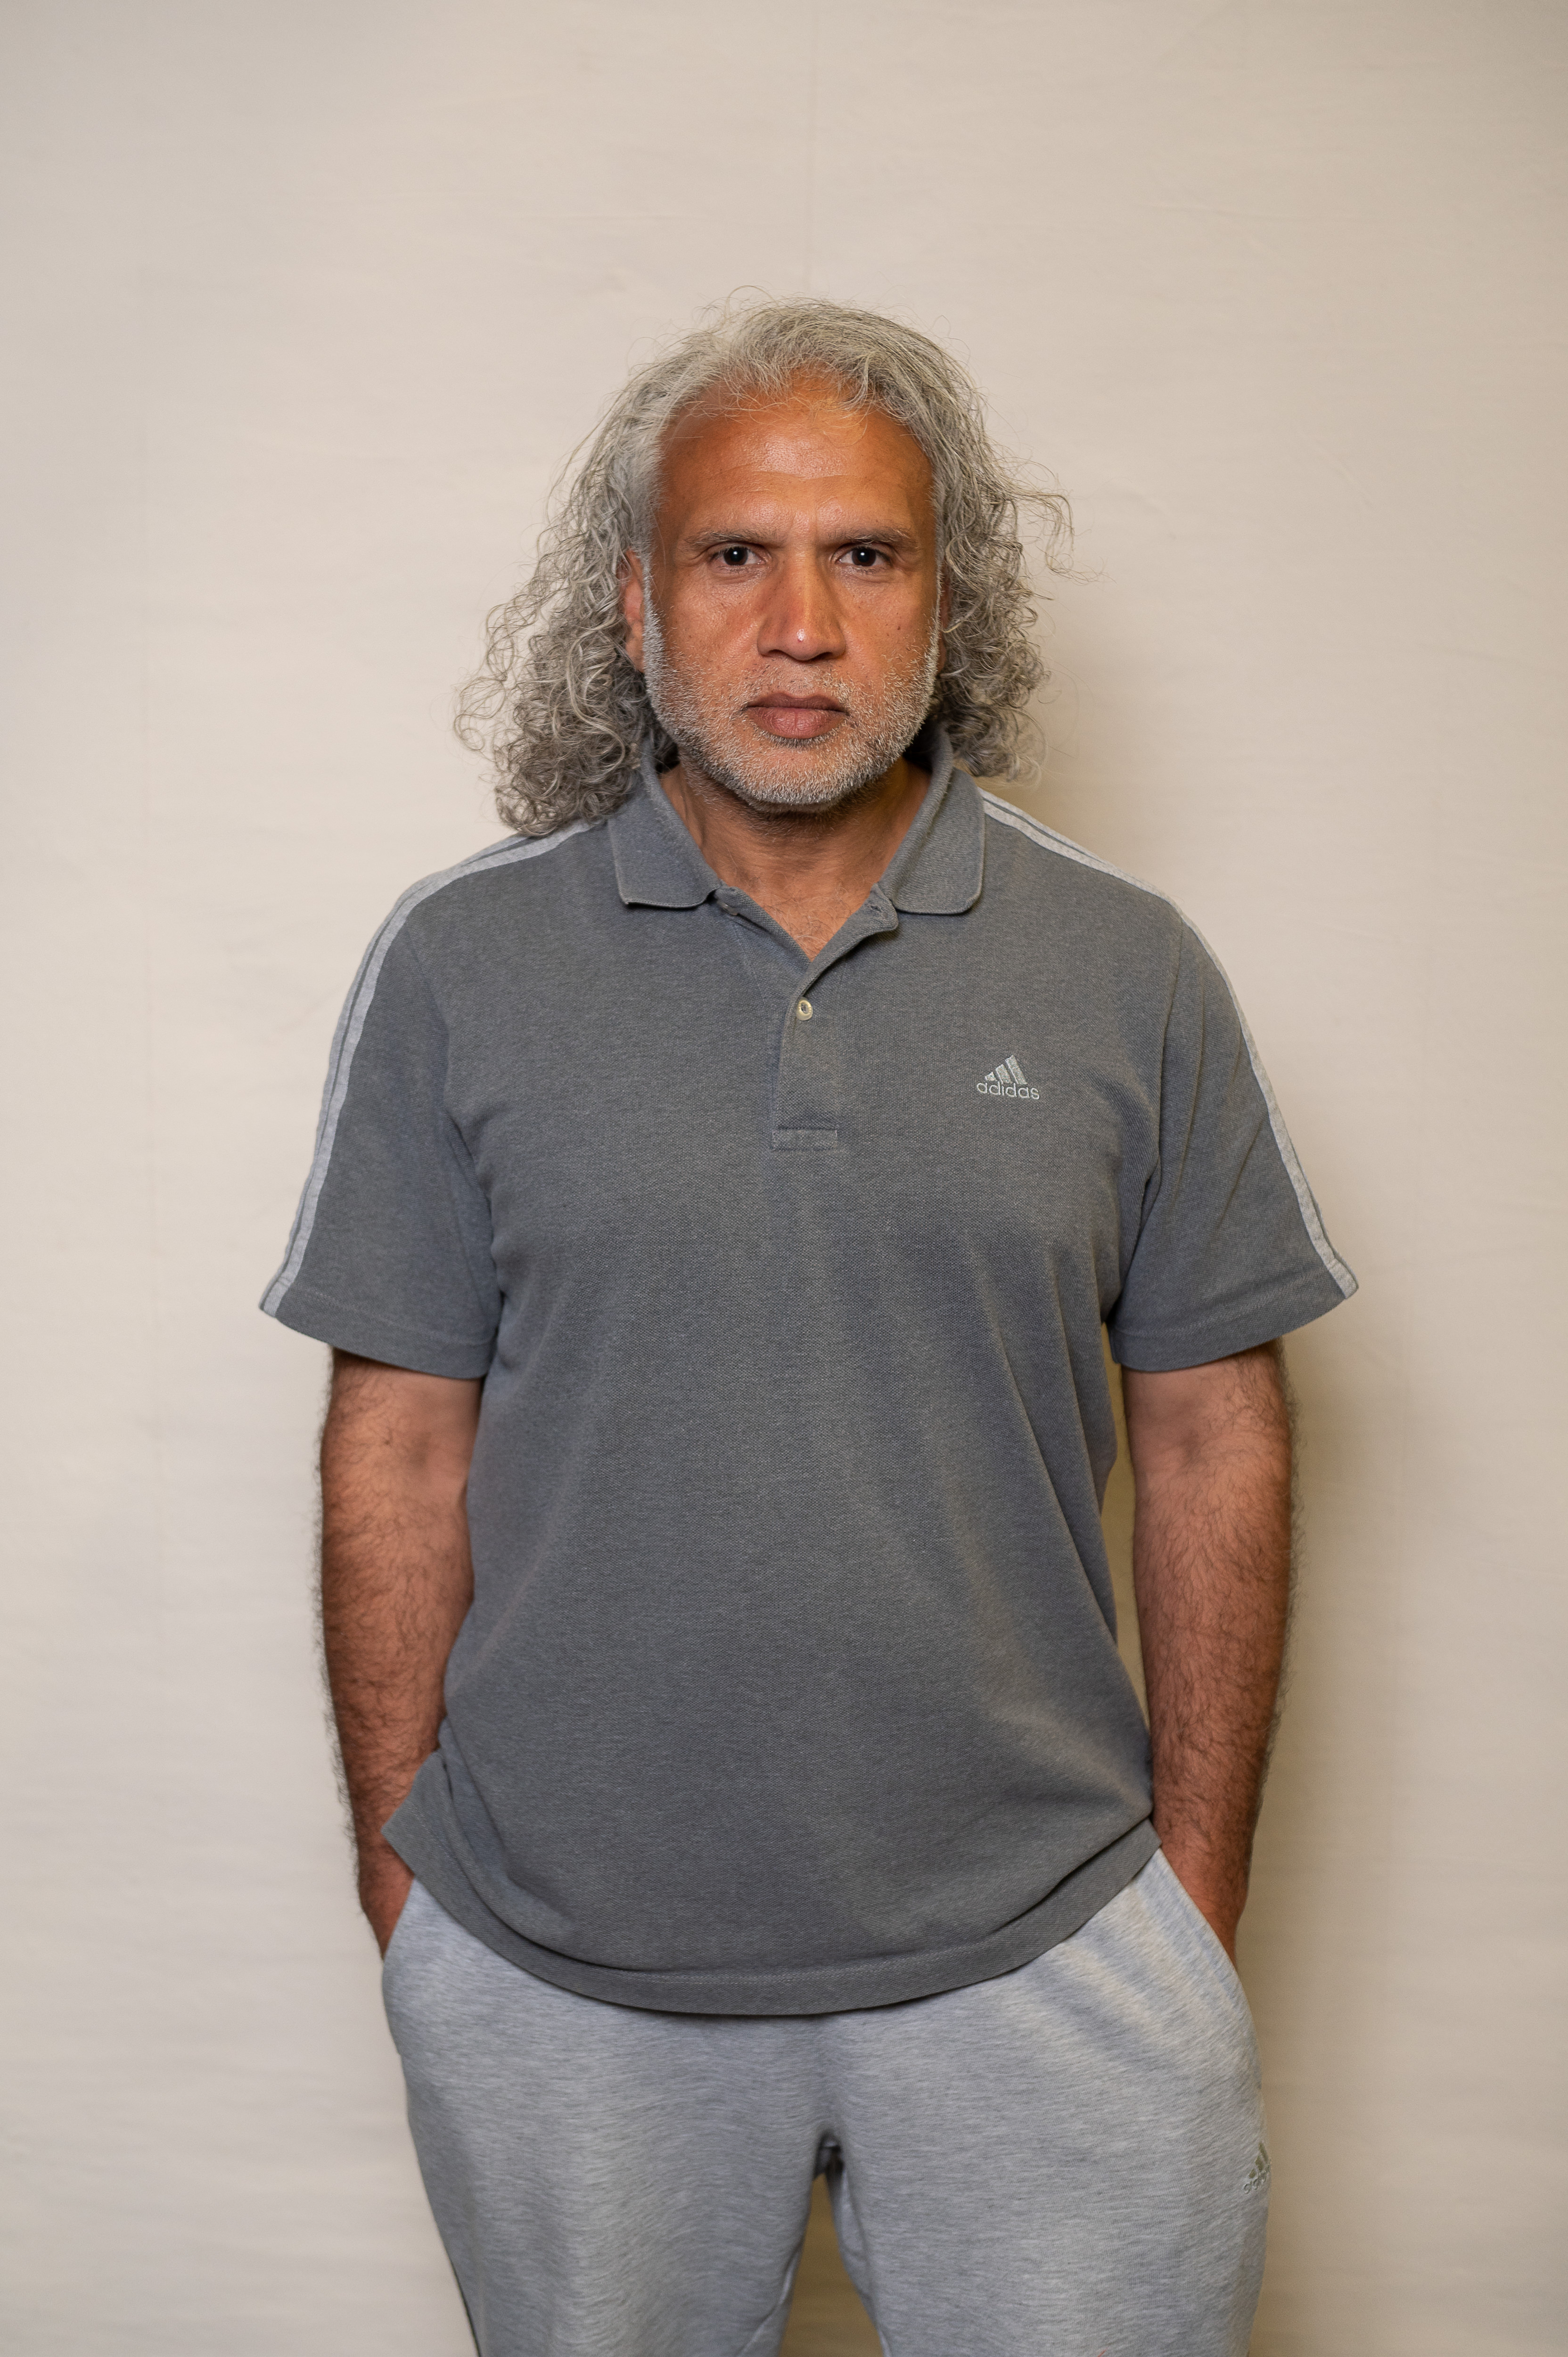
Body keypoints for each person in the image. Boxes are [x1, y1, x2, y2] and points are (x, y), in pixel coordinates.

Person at [262, 297, 1356, 2357]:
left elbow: (1217, 1427)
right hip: (562, 1969)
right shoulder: (460, 965)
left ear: (948, 600)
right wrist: (415, 1908)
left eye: (866, 553)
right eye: (731, 554)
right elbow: (396, 1441)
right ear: (633, 600)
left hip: (1047, 1940)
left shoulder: (1128, 968)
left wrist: (1189, 1903)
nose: (799, 623)